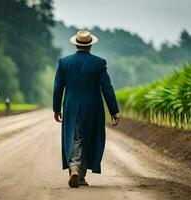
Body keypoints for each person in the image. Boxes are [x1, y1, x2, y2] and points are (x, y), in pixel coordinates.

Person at [53, 30, 121, 188]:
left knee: (75, 137)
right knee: (88, 138)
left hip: (71, 106)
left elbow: (58, 87)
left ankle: (74, 168)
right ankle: (80, 175)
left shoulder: (64, 62)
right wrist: (114, 110)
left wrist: (56, 108)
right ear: (90, 45)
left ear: (76, 43)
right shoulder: (99, 63)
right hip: (93, 107)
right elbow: (107, 88)